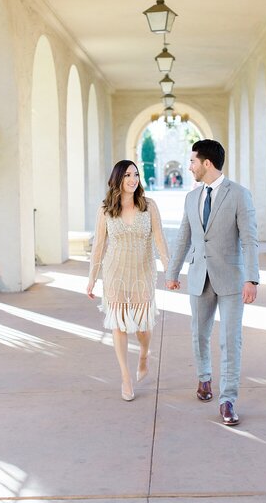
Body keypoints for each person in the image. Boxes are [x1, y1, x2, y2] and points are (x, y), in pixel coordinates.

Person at [166, 139, 259, 425]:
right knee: (199, 334)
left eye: (193, 161)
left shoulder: (239, 195)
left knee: (231, 341)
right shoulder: (191, 197)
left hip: (231, 278)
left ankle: (228, 399)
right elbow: (184, 236)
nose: (189, 166)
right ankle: (204, 378)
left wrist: (252, 279)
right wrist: (172, 272)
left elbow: (249, 239)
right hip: (198, 276)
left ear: (207, 163)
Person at [87, 160, 169, 402]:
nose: (133, 179)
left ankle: (144, 354)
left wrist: (169, 270)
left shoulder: (149, 206)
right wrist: (92, 278)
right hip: (115, 274)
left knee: (143, 327)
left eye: (136, 175)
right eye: (127, 175)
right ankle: (125, 377)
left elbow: (160, 239)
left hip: (143, 272)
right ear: (118, 180)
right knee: (119, 325)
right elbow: (99, 246)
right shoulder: (105, 210)